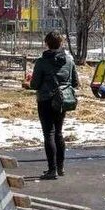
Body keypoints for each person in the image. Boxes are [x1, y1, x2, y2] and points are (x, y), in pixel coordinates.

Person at [29, 31, 79, 180]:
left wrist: (30, 82)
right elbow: (75, 82)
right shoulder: (69, 60)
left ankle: (52, 169)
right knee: (58, 132)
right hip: (62, 99)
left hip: (45, 100)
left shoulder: (41, 62)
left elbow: (35, 84)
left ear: (46, 44)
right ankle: (60, 167)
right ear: (62, 43)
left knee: (48, 133)